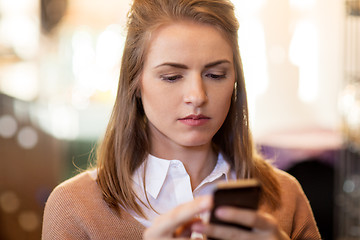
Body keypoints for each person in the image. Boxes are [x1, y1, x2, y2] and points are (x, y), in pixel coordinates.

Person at [42, 0, 321, 239]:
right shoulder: (74, 208)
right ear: (135, 82)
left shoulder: (285, 197)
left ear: (236, 80)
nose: (197, 96)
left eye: (215, 75)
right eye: (172, 77)